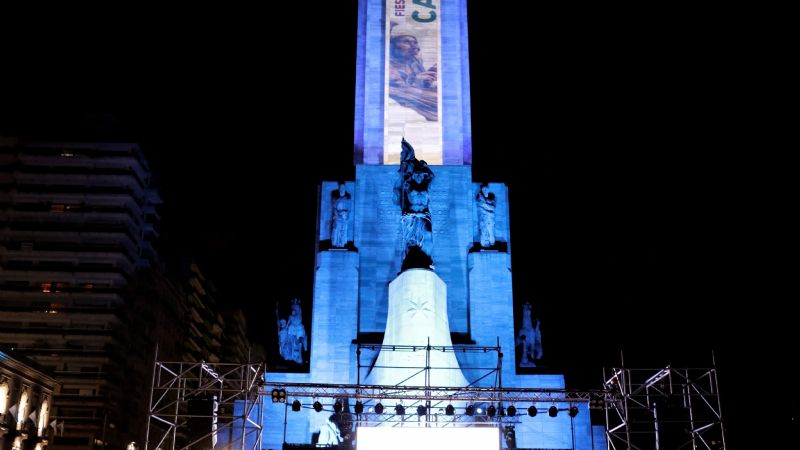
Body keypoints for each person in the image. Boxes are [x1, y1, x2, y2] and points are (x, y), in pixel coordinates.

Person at [388, 22, 438, 121]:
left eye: (415, 42)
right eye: (406, 42)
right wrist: (417, 83)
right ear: (393, 45)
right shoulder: (390, 67)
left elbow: (421, 82)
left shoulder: (414, 60)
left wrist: (430, 76)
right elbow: (399, 94)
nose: (414, 46)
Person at [516, 302, 542, 367]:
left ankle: (526, 307)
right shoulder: (537, 353)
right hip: (529, 335)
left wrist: (520, 340)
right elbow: (538, 339)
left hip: (526, 335)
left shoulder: (525, 360)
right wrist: (537, 326)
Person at [331, 183, 351, 248]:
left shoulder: (347, 198)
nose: (342, 189)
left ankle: (342, 244)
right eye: (341, 187)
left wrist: (344, 213)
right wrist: (337, 215)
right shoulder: (336, 199)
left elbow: (349, 210)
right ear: (339, 189)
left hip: (344, 218)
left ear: (345, 189)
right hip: (337, 218)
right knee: (336, 230)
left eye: (343, 188)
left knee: (343, 231)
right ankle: (337, 244)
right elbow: (334, 209)